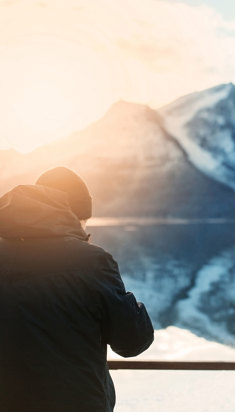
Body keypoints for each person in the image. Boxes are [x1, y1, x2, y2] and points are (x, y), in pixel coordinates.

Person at [0, 167, 154, 412]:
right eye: (84, 220)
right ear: (71, 213)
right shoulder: (91, 262)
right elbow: (132, 342)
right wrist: (133, 306)